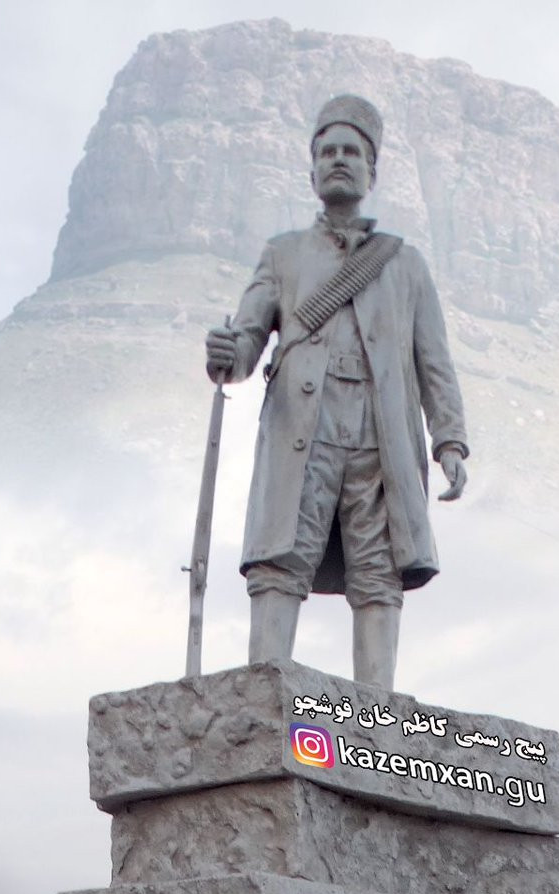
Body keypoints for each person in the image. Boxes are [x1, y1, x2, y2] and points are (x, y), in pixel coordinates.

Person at [206, 94, 468, 689]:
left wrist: (450, 440)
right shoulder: (283, 254)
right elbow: (247, 340)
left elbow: (434, 363)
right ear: (312, 172)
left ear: (372, 172)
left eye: (351, 151)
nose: (339, 160)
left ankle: (376, 708)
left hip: (380, 436)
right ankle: (264, 693)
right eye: (327, 152)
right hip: (304, 430)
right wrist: (227, 355)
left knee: (379, 570)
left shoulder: (405, 265)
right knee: (280, 559)